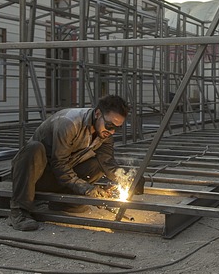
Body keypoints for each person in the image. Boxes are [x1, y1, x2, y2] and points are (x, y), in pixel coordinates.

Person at [9, 94, 143, 231]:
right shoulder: (69, 123)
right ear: (98, 113)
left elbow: (107, 163)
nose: (112, 131)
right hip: (36, 175)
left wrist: (129, 179)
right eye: (109, 125)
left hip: (58, 178)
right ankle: (19, 211)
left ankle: (63, 202)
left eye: (117, 128)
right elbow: (59, 164)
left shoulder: (105, 133)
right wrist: (86, 188)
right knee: (34, 149)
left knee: (97, 166)